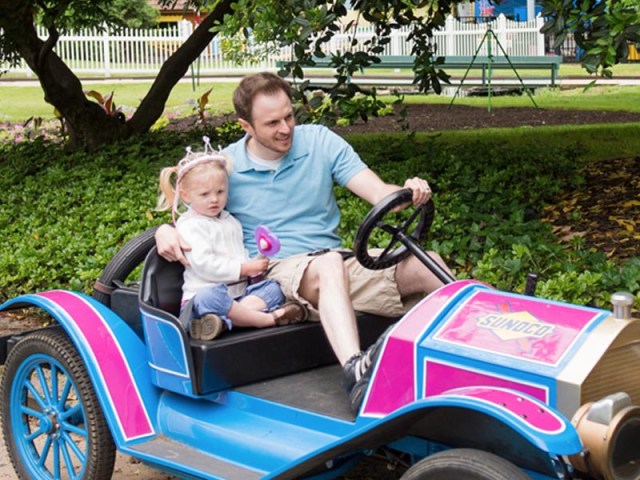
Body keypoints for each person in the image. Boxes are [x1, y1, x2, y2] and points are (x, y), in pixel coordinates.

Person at [156, 72, 451, 411]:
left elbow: (380, 193)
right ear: (246, 126)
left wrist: (409, 191)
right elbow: (196, 206)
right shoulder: (227, 167)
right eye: (272, 123)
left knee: (428, 263)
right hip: (275, 275)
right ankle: (355, 371)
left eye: (289, 116)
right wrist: (166, 230)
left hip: (335, 262)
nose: (285, 129)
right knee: (328, 265)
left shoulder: (320, 141)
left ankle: (496, 342)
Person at [156, 140, 307, 340]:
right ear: (186, 196)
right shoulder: (191, 225)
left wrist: (255, 267)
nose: (214, 199)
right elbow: (203, 264)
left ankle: (225, 323)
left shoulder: (230, 221)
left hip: (238, 296)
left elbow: (238, 253)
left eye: (220, 192)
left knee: (274, 287)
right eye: (205, 194)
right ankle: (267, 319)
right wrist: (244, 269)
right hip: (204, 297)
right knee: (209, 297)